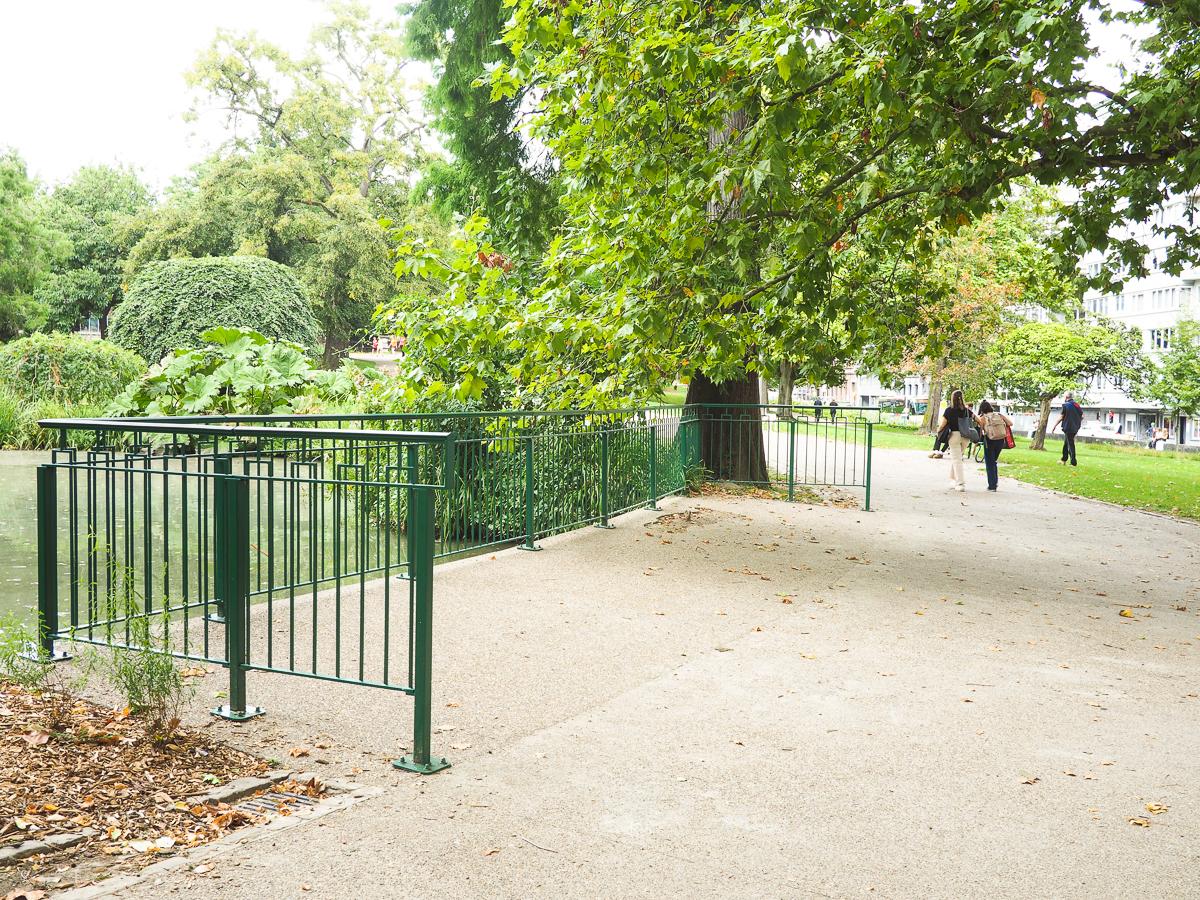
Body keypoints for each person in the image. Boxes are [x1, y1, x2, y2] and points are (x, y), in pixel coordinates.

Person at [936, 390, 983, 492]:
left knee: (957, 459)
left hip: (954, 436)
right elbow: (978, 420)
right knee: (957, 458)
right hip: (966, 436)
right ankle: (952, 479)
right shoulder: (966, 411)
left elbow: (943, 424)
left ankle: (960, 483)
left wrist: (938, 431)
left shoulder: (949, 410)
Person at [976, 400, 1013, 492]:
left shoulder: (982, 418)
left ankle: (992, 485)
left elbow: (980, 431)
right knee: (994, 461)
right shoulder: (999, 415)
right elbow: (1010, 423)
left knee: (989, 463)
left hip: (989, 440)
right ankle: (994, 483)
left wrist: (977, 441)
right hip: (1000, 440)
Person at [1052, 392, 1083, 466]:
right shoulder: (1077, 405)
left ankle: (1073, 462)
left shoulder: (1066, 405)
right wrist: (1076, 423)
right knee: (1066, 443)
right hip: (1075, 427)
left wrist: (1054, 426)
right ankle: (1064, 459)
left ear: (1066, 397)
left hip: (1068, 427)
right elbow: (1082, 416)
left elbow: (1061, 417)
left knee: (1070, 444)